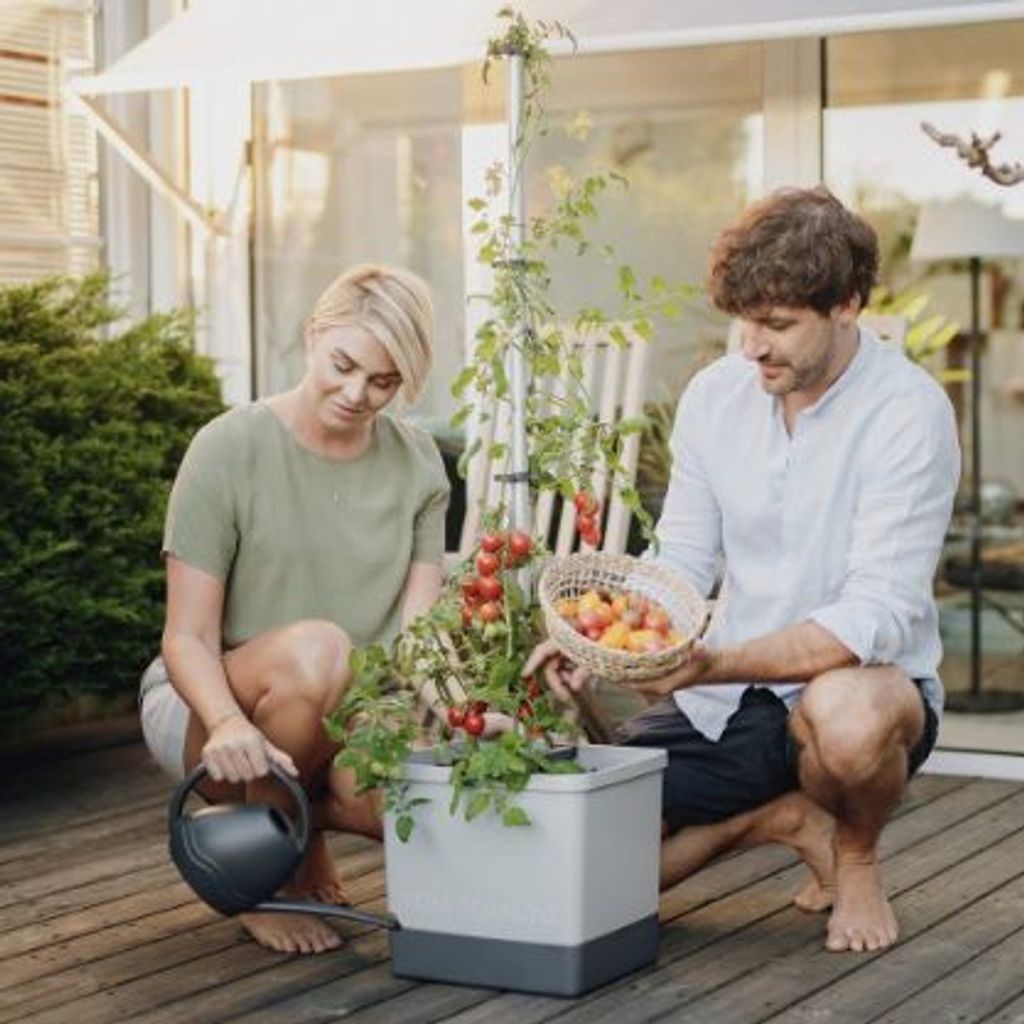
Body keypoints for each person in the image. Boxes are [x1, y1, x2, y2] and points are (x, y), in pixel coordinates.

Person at [526, 187, 960, 954]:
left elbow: (876, 614)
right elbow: (682, 559)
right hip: (726, 700)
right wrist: (611, 641)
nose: (753, 345)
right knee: (586, 853)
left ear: (848, 305)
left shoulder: (907, 412)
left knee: (846, 717)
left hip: (862, 691)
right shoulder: (717, 394)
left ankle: (854, 856)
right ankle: (781, 819)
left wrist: (711, 661)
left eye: (779, 324)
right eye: (745, 320)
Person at [138, 264, 450, 954]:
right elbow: (186, 635)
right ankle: (260, 876)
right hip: (213, 695)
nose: (356, 393)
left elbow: (419, 638)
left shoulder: (420, 463)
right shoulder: (229, 447)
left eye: (384, 381)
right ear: (314, 335)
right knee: (321, 649)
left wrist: (454, 714)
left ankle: (296, 822)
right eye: (343, 364)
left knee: (400, 790)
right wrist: (222, 721)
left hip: (352, 698)